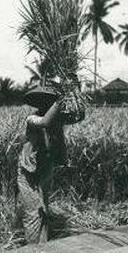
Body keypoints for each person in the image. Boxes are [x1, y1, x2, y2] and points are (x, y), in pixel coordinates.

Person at [16, 83, 84, 244]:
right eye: (44, 102)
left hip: (45, 167)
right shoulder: (32, 118)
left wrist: (76, 94)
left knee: (44, 208)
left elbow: (79, 117)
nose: (46, 104)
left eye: (50, 101)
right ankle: (33, 251)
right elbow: (44, 123)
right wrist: (61, 99)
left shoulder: (58, 120)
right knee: (32, 212)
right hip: (28, 171)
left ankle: (43, 246)